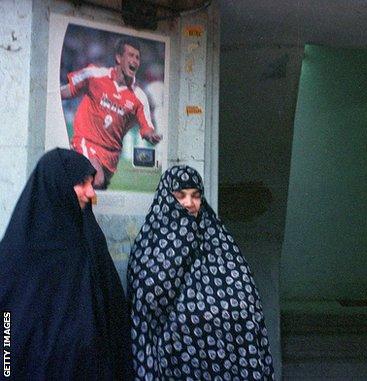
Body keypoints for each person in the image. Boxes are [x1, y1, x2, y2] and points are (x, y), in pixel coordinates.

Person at [127, 165, 274, 380]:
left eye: (195, 196)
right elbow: (145, 307)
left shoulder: (218, 239)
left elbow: (244, 293)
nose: (189, 203)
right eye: (181, 195)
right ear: (167, 197)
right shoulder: (149, 244)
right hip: (172, 359)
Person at [0, 148, 130, 379]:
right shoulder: (19, 254)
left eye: (91, 183)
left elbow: (113, 317)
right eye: (82, 183)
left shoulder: (90, 239)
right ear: (56, 185)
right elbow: (7, 333)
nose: (91, 192)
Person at [61, 37, 162, 190]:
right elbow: (67, 91)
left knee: (97, 191)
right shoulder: (94, 75)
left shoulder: (139, 96)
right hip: (86, 141)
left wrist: (150, 135)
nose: (135, 60)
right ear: (118, 57)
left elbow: (146, 126)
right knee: (97, 178)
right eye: (131, 55)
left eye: (138, 57)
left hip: (110, 157)